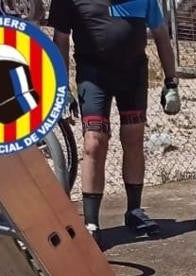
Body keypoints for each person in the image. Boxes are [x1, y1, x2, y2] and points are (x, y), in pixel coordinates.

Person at [50, 0, 181, 242]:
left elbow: (162, 35)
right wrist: (61, 87)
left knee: (133, 139)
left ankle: (134, 210)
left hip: (133, 76)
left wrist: (171, 82)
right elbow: (60, 39)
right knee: (94, 143)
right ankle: (91, 223)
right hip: (93, 76)